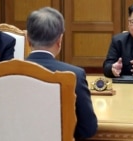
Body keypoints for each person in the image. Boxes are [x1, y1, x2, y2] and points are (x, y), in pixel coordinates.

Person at [25, 7, 98, 140]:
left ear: (28, 39)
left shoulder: (0, 75)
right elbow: (88, 128)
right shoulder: (73, 74)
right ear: (59, 40)